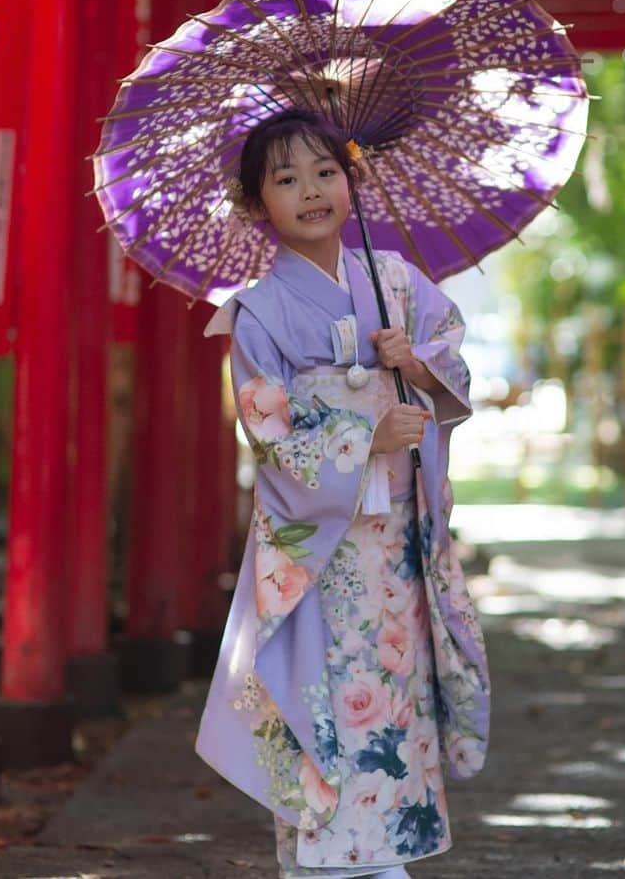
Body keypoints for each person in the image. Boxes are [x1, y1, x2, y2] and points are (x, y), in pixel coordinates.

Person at [196, 107, 490, 879]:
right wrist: (365, 437)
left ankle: (386, 857)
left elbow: (454, 364)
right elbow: (269, 431)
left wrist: (415, 363)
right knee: (320, 697)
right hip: (317, 552)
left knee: (391, 694)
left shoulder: (395, 282)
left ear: (352, 177)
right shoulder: (259, 312)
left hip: (393, 546)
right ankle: (331, 865)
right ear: (260, 205)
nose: (312, 190)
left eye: (326, 172)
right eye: (286, 180)